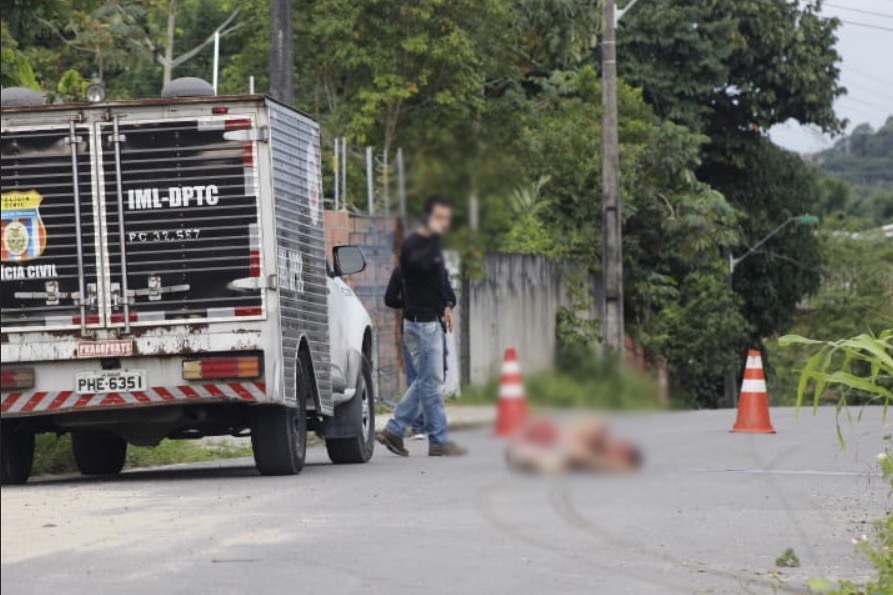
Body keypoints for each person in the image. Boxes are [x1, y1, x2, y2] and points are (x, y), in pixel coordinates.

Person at [376, 195, 467, 457]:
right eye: (439, 217)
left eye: (447, 218)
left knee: (428, 381)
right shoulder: (416, 246)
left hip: (422, 323)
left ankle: (435, 438)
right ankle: (400, 429)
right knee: (430, 381)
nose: (444, 223)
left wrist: (448, 303)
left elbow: (442, 284)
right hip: (423, 325)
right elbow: (422, 275)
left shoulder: (431, 247)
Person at [384, 265, 456, 440]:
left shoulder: (401, 269)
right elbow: (449, 296)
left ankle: (427, 432)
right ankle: (401, 428)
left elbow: (390, 299)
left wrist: (408, 303)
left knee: (421, 378)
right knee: (430, 380)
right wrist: (446, 305)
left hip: (409, 326)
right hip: (430, 325)